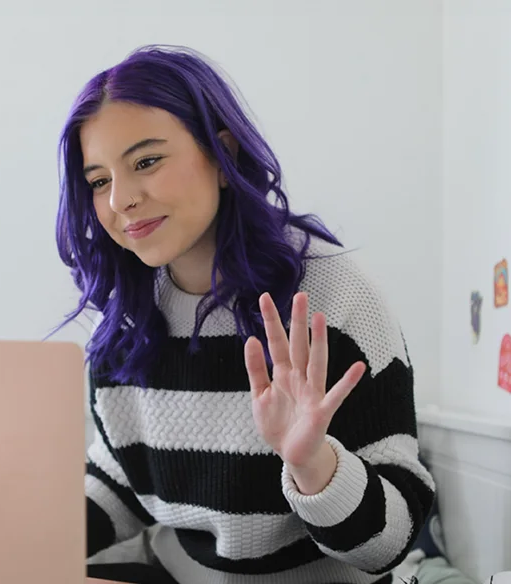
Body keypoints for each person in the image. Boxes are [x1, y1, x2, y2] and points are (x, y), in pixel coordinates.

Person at [52, 45, 435, 584]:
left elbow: (390, 544)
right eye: (98, 181)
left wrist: (314, 466)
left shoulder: (334, 295)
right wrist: (14, 535)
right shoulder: (129, 318)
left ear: (222, 155)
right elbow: (126, 479)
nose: (121, 200)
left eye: (146, 162)